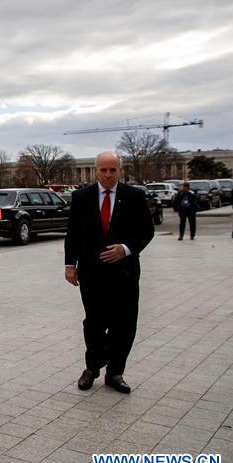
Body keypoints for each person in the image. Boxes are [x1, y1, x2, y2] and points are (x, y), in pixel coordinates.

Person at [64, 151, 154, 394]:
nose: (107, 174)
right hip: (91, 274)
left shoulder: (134, 196)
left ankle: (115, 372)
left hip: (124, 273)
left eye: (112, 170)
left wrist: (124, 249)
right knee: (93, 323)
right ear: (96, 171)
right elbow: (73, 233)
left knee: (123, 325)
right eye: (103, 170)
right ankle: (92, 368)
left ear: (120, 171)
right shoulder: (81, 197)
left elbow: (146, 231)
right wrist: (70, 264)